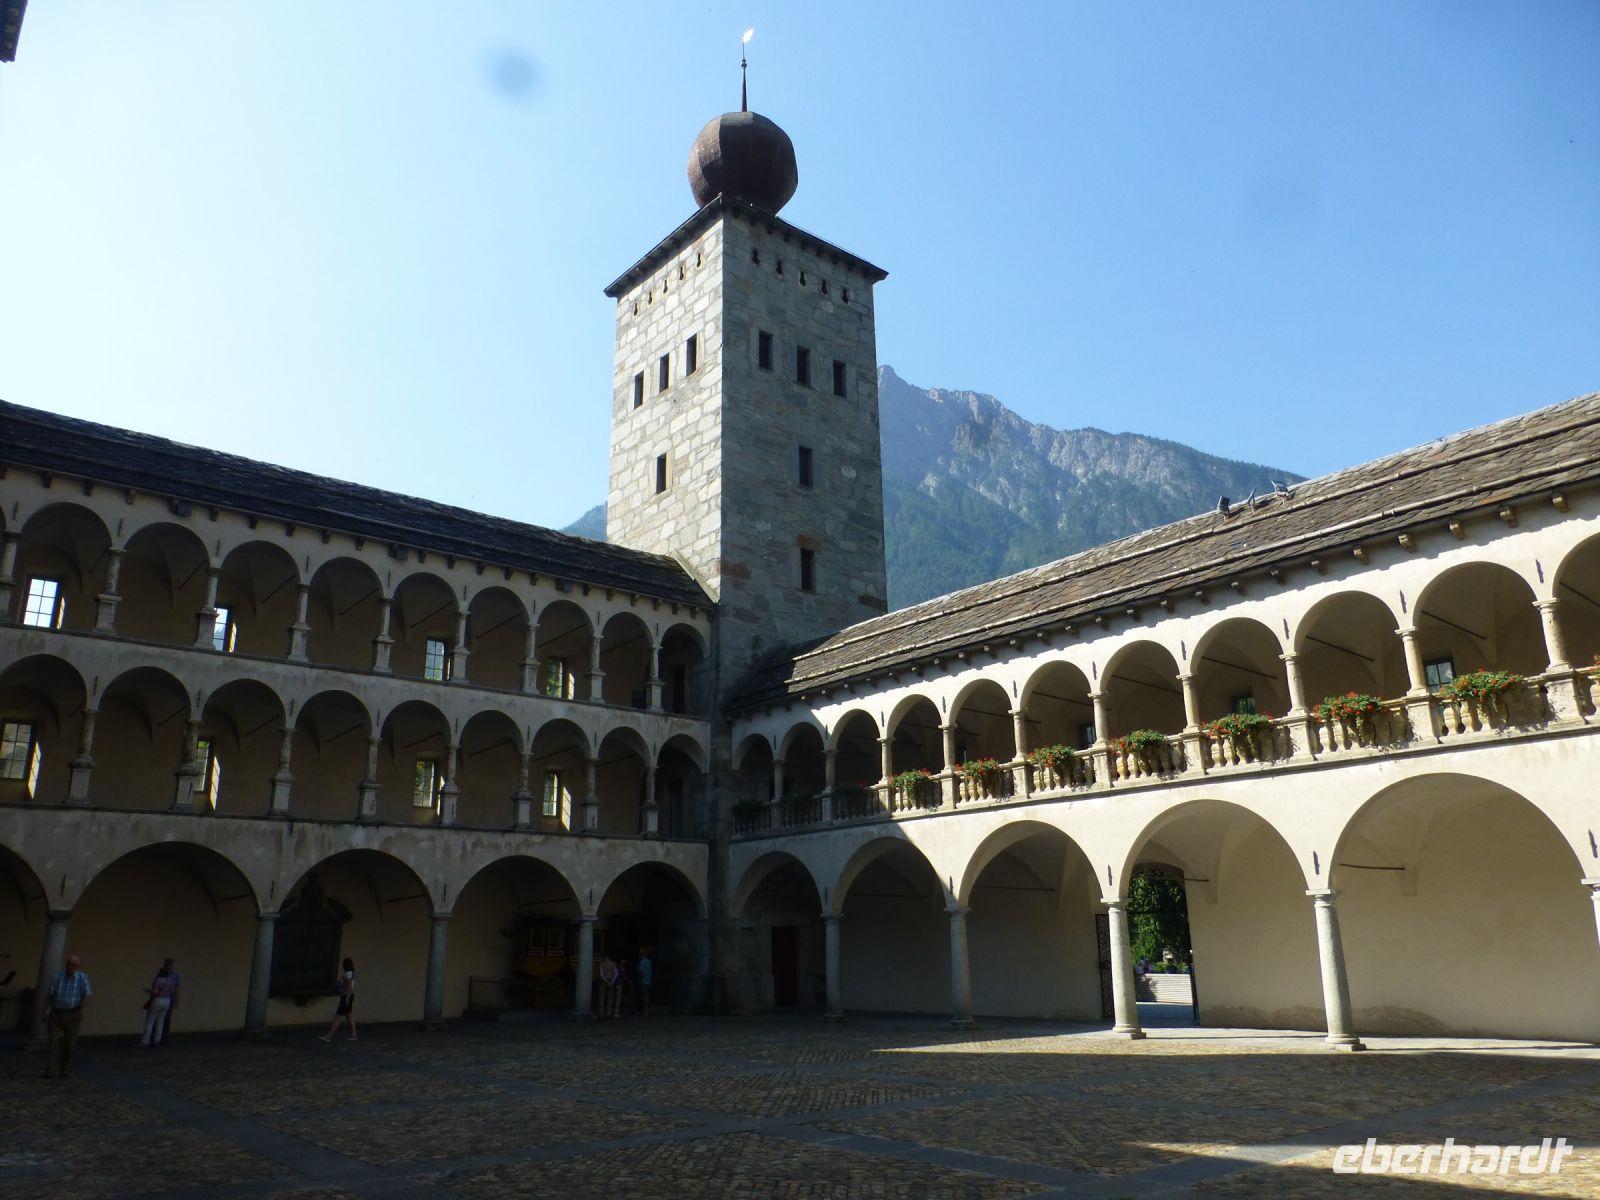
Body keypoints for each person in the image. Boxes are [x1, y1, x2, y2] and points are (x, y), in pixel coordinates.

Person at [43, 954, 91, 1078]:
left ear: (77, 966)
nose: (69, 966)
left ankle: (65, 1068)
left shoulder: (82, 978)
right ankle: (50, 1069)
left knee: (70, 1045)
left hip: (73, 1013)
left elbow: (86, 995)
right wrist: (45, 1010)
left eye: (72, 965)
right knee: (52, 1043)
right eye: (68, 964)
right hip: (57, 1013)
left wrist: (83, 1010)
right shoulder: (58, 977)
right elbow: (50, 994)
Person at [141, 958, 180, 1046]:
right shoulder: (172, 980)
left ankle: (145, 1040)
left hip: (158, 999)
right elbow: (174, 990)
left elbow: (155, 991)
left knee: (150, 1020)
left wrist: (148, 991)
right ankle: (157, 1040)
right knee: (161, 1021)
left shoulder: (158, 980)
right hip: (167, 1000)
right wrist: (177, 1001)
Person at [320, 957, 357, 1042]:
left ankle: (328, 1036)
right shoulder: (352, 973)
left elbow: (348, 986)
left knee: (338, 1016)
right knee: (349, 1015)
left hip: (346, 996)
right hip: (350, 996)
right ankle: (354, 1034)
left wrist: (347, 998)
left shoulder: (348, 973)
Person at [597, 952, 618, 1019]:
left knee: (602, 998)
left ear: (605, 957)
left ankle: (601, 1014)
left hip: (603, 982)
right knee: (610, 998)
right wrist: (612, 982)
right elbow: (616, 973)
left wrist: (606, 981)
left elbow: (601, 974)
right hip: (611, 981)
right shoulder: (613, 963)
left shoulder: (602, 964)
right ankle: (608, 1014)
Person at [635, 949, 652, 1016]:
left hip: (643, 982)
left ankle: (644, 1012)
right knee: (646, 996)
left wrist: (637, 972)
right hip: (649, 981)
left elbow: (641, 972)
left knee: (643, 997)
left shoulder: (642, 962)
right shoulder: (649, 962)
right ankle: (646, 1011)